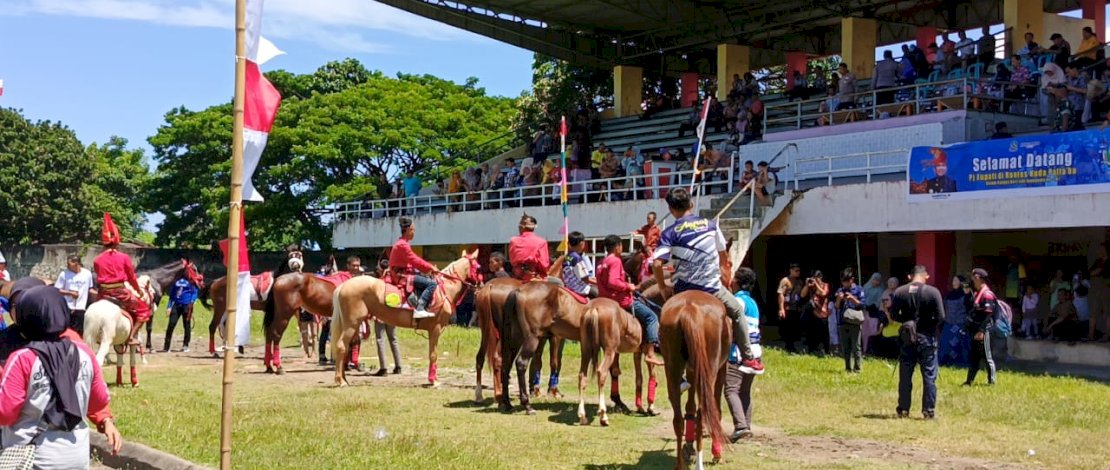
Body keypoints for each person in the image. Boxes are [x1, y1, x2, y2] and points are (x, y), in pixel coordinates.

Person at [0, 286, 123, 467]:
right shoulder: (84, 353)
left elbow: (5, 413)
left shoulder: (22, 359)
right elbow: (99, 401)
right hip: (76, 456)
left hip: (31, 458)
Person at [651, 187, 764, 375]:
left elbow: (656, 263)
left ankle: (665, 355)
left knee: (664, 320)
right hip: (711, 288)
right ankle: (748, 357)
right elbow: (722, 257)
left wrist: (663, 287)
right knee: (736, 311)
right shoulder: (711, 225)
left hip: (682, 289)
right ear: (691, 204)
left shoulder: (669, 232)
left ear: (671, 210)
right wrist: (722, 275)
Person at [597, 235, 663, 366]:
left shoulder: (601, 262)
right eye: (621, 246)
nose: (622, 248)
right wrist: (629, 286)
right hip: (621, 301)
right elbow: (613, 281)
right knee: (652, 317)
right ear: (617, 247)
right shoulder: (615, 261)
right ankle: (650, 352)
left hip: (605, 300)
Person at [889, 265, 945, 419]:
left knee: (905, 375)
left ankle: (903, 409)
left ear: (910, 276)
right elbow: (941, 317)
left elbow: (893, 315)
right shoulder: (933, 292)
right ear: (926, 276)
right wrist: (929, 326)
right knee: (929, 375)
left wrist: (907, 322)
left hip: (907, 337)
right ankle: (928, 411)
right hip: (926, 337)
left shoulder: (900, 292)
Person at [93, 213, 150, 347]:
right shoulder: (124, 257)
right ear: (117, 243)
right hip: (120, 293)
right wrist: (138, 291)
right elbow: (131, 277)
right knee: (144, 310)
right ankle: (130, 337)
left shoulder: (97, 259)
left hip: (103, 294)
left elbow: (97, 274)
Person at [725, 267, 760, 443]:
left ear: (737, 282)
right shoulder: (753, 303)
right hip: (755, 351)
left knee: (731, 389)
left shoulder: (737, 301)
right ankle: (746, 425)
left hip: (739, 353)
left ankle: (740, 426)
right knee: (744, 391)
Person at [387, 218, 438, 320]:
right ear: (408, 230)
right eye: (413, 230)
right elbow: (414, 260)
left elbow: (412, 262)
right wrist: (430, 267)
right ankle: (420, 308)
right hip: (401, 275)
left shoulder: (402, 243)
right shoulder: (403, 245)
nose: (414, 233)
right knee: (432, 284)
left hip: (402, 272)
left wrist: (425, 270)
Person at [965, 268, 997, 386]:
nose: (972, 280)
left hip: (984, 330)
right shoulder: (977, 293)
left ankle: (992, 382)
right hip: (975, 330)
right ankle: (969, 381)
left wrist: (981, 330)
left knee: (987, 356)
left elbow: (988, 314)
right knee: (974, 357)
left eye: (973, 277)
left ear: (978, 278)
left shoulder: (987, 294)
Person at [835, 269, 865, 373]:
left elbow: (862, 305)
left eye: (846, 281)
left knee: (856, 346)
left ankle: (857, 368)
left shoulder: (859, 290)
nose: (845, 283)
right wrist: (839, 299)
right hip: (843, 322)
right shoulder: (840, 290)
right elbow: (837, 307)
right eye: (843, 281)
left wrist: (852, 298)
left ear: (852, 280)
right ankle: (847, 367)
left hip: (855, 322)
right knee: (845, 346)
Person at [54, 255, 93, 336]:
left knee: (79, 332)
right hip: (67, 307)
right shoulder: (64, 274)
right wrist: (69, 293)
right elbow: (57, 290)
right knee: (66, 331)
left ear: (76, 263)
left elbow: (90, 289)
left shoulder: (87, 274)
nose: (67, 266)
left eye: (69, 264)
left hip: (80, 307)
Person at [162, 273, 199, 352]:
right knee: (171, 324)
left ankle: (186, 345)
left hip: (187, 306)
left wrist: (192, 302)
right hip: (176, 305)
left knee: (186, 325)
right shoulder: (176, 282)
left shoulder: (191, 282)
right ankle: (166, 346)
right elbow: (172, 295)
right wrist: (169, 307)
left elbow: (195, 292)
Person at [508, 213, 550, 282]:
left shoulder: (513, 240)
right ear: (533, 228)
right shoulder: (541, 242)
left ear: (521, 227)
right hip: (534, 276)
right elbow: (544, 264)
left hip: (517, 275)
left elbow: (512, 260)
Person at [940, 275, 971, 366]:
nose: (954, 283)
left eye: (956, 281)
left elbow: (970, 306)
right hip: (948, 323)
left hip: (960, 324)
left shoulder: (966, 295)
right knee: (945, 343)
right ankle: (945, 361)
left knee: (959, 343)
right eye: (953, 280)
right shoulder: (949, 295)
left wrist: (968, 294)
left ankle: (960, 363)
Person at [777, 263, 804, 353]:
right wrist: (781, 308)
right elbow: (781, 294)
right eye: (796, 271)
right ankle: (788, 346)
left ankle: (792, 346)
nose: (798, 272)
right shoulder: (785, 280)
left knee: (794, 328)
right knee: (787, 328)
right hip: (787, 307)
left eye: (799, 271)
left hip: (796, 307)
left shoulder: (800, 281)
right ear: (791, 270)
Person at [801, 270, 830, 355]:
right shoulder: (811, 286)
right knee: (811, 332)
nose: (815, 280)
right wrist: (807, 285)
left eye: (816, 278)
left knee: (824, 333)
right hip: (812, 313)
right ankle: (812, 349)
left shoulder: (825, 285)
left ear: (820, 277)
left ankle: (826, 350)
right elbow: (802, 295)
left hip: (822, 313)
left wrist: (817, 284)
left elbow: (824, 293)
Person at [561, 231, 597, 298]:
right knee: (598, 293)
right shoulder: (577, 258)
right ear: (581, 243)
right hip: (580, 289)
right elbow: (585, 279)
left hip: (568, 287)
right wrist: (599, 283)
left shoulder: (567, 257)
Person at [861, 272, 885, 355]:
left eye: (878, 280)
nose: (875, 282)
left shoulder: (881, 290)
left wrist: (873, 305)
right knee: (864, 332)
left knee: (873, 331)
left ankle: (871, 350)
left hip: (874, 313)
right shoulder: (866, 287)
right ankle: (864, 349)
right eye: (874, 279)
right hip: (864, 312)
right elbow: (862, 298)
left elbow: (879, 302)